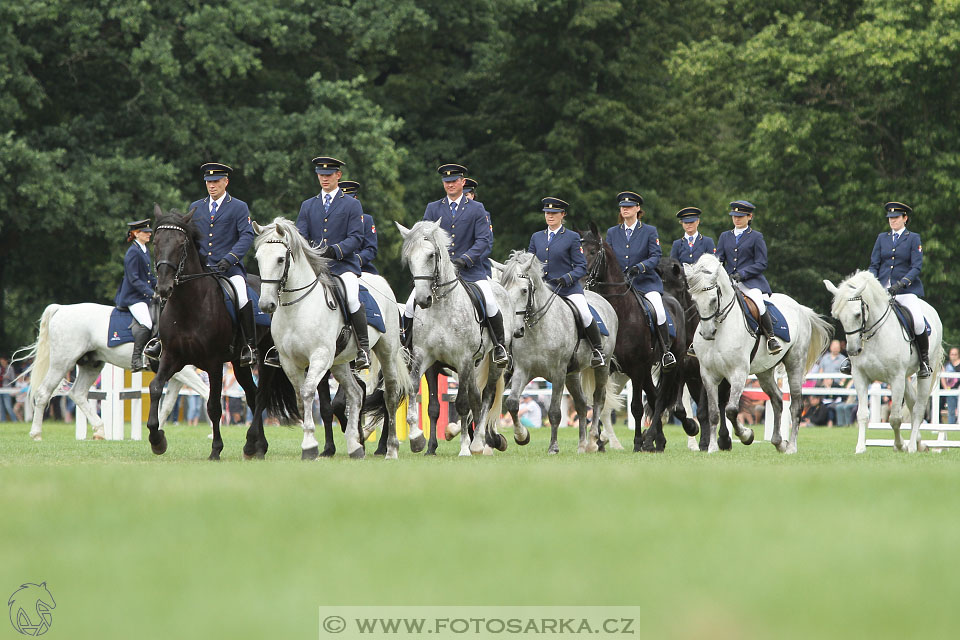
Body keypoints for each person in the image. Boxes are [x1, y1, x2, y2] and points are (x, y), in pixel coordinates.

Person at [143, 162, 257, 366]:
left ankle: (249, 345)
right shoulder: (196, 207)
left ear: (226, 182)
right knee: (167, 293)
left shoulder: (239, 207)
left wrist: (230, 258)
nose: (211, 185)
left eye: (216, 181)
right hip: (199, 270)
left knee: (241, 294)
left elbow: (247, 236)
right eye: (208, 182)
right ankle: (160, 341)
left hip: (228, 269)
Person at [401, 163, 508, 366]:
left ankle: (499, 346)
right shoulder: (433, 208)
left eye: (454, 181)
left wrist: (465, 259)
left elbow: (484, 241)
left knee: (491, 302)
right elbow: (424, 239)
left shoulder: (476, 209)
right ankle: (405, 348)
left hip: (471, 271)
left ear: (462, 182)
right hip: (437, 275)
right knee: (409, 305)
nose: (450, 184)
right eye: (446, 182)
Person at [276, 156, 369, 370]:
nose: (324, 179)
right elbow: (300, 236)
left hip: (342, 266)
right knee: (284, 293)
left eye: (328, 175)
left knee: (353, 298)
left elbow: (356, 238)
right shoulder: (308, 205)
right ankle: (280, 346)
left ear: (338, 175)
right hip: (314, 268)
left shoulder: (352, 205)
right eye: (321, 175)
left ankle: (363, 348)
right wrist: (312, 252)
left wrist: (335, 250)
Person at [840, 201, 930, 377]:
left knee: (918, 322)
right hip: (881, 290)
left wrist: (901, 284)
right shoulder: (882, 238)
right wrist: (871, 282)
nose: (892, 221)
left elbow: (916, 267)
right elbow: (875, 264)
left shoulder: (913, 238)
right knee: (859, 315)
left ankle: (924, 361)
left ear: (905, 218)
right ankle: (851, 359)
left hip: (905, 290)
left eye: (896, 218)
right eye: (890, 218)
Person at [527, 197, 604, 367]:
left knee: (584, 312)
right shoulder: (537, 237)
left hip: (567, 289)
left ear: (562, 214)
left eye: (554, 213)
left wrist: (567, 278)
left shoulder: (571, 237)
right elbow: (529, 261)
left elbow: (581, 266)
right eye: (547, 213)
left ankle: (597, 350)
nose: (550, 216)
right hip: (543, 288)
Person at [606, 191, 676, 369]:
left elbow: (655, 256)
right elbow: (609, 257)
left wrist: (640, 267)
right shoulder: (613, 232)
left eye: (629, 207)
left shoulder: (649, 231)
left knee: (659, 311)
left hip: (645, 282)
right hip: (619, 285)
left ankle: (665, 351)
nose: (625, 210)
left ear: (638, 209)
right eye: (623, 207)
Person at [715, 200, 782, 354]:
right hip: (728, 282)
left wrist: (743, 273)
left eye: (740, 216)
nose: (736, 219)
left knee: (758, 303)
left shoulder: (756, 237)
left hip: (750, 282)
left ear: (749, 217)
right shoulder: (725, 236)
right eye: (734, 216)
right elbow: (718, 258)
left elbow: (761, 263)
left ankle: (771, 338)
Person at [114, 219, 157, 371]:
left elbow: (149, 276)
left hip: (142, 295)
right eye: (146, 233)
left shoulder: (144, 250)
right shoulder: (133, 252)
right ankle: (136, 359)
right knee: (147, 323)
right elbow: (134, 279)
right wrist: (151, 293)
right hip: (133, 297)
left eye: (149, 232)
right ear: (136, 234)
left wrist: (159, 287)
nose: (149, 235)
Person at [340, 179, 379, 276]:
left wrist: (356, 260)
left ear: (355, 199)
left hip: (361, 269)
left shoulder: (366, 220)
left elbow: (371, 248)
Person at [942, 347, 960, 424]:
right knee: (951, 410)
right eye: (952, 354)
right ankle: (951, 425)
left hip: (959, 390)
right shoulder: (946, 365)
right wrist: (945, 387)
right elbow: (942, 376)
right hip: (950, 390)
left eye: (955, 354)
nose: (953, 356)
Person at [0, 355, 17, 422]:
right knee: (1, 408)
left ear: (6, 361)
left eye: (3, 361)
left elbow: (13, 379)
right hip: (0, 388)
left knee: (8, 406)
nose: (2, 362)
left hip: (7, 389)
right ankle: (3, 421)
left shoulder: (10, 368)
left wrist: (7, 377)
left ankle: (14, 420)